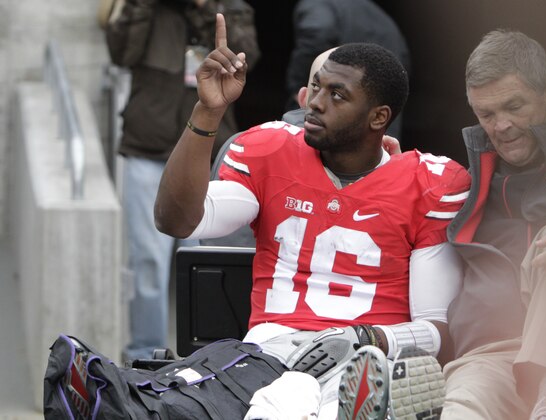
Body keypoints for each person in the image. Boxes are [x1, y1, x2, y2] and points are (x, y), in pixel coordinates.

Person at [155, 13, 470, 419]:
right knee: (286, 397)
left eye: (337, 95)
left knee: (340, 392)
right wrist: (206, 113)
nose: (315, 102)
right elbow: (177, 221)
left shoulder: (429, 181)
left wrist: (363, 337)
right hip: (272, 349)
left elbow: (436, 331)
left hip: (371, 354)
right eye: (316, 86)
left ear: (378, 117)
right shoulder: (269, 150)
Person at [441, 29, 546, 420]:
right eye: (486, 115)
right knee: (464, 408)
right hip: (490, 355)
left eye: (514, 106)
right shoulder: (458, 178)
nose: (500, 127)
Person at [104, 0, 260, 361]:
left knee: (207, 260)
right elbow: (120, 52)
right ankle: (146, 354)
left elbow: (247, 57)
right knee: (148, 261)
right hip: (149, 148)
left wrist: (207, 9)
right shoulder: (146, 7)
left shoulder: (230, 7)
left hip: (207, 154)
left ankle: (209, 356)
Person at [285, 0, 411, 139]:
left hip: (332, 130)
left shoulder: (320, 4)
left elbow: (318, 34)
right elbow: (402, 64)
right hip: (378, 129)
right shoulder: (383, 19)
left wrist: (301, 85)